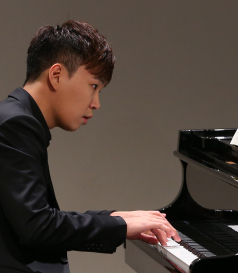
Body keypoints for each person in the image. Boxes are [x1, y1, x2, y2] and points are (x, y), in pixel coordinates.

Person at [0, 20, 179, 273]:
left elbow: (36, 217)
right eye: (93, 86)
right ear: (56, 75)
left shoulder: (16, 118)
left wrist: (115, 218)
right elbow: (37, 227)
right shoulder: (16, 124)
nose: (96, 103)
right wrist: (119, 226)